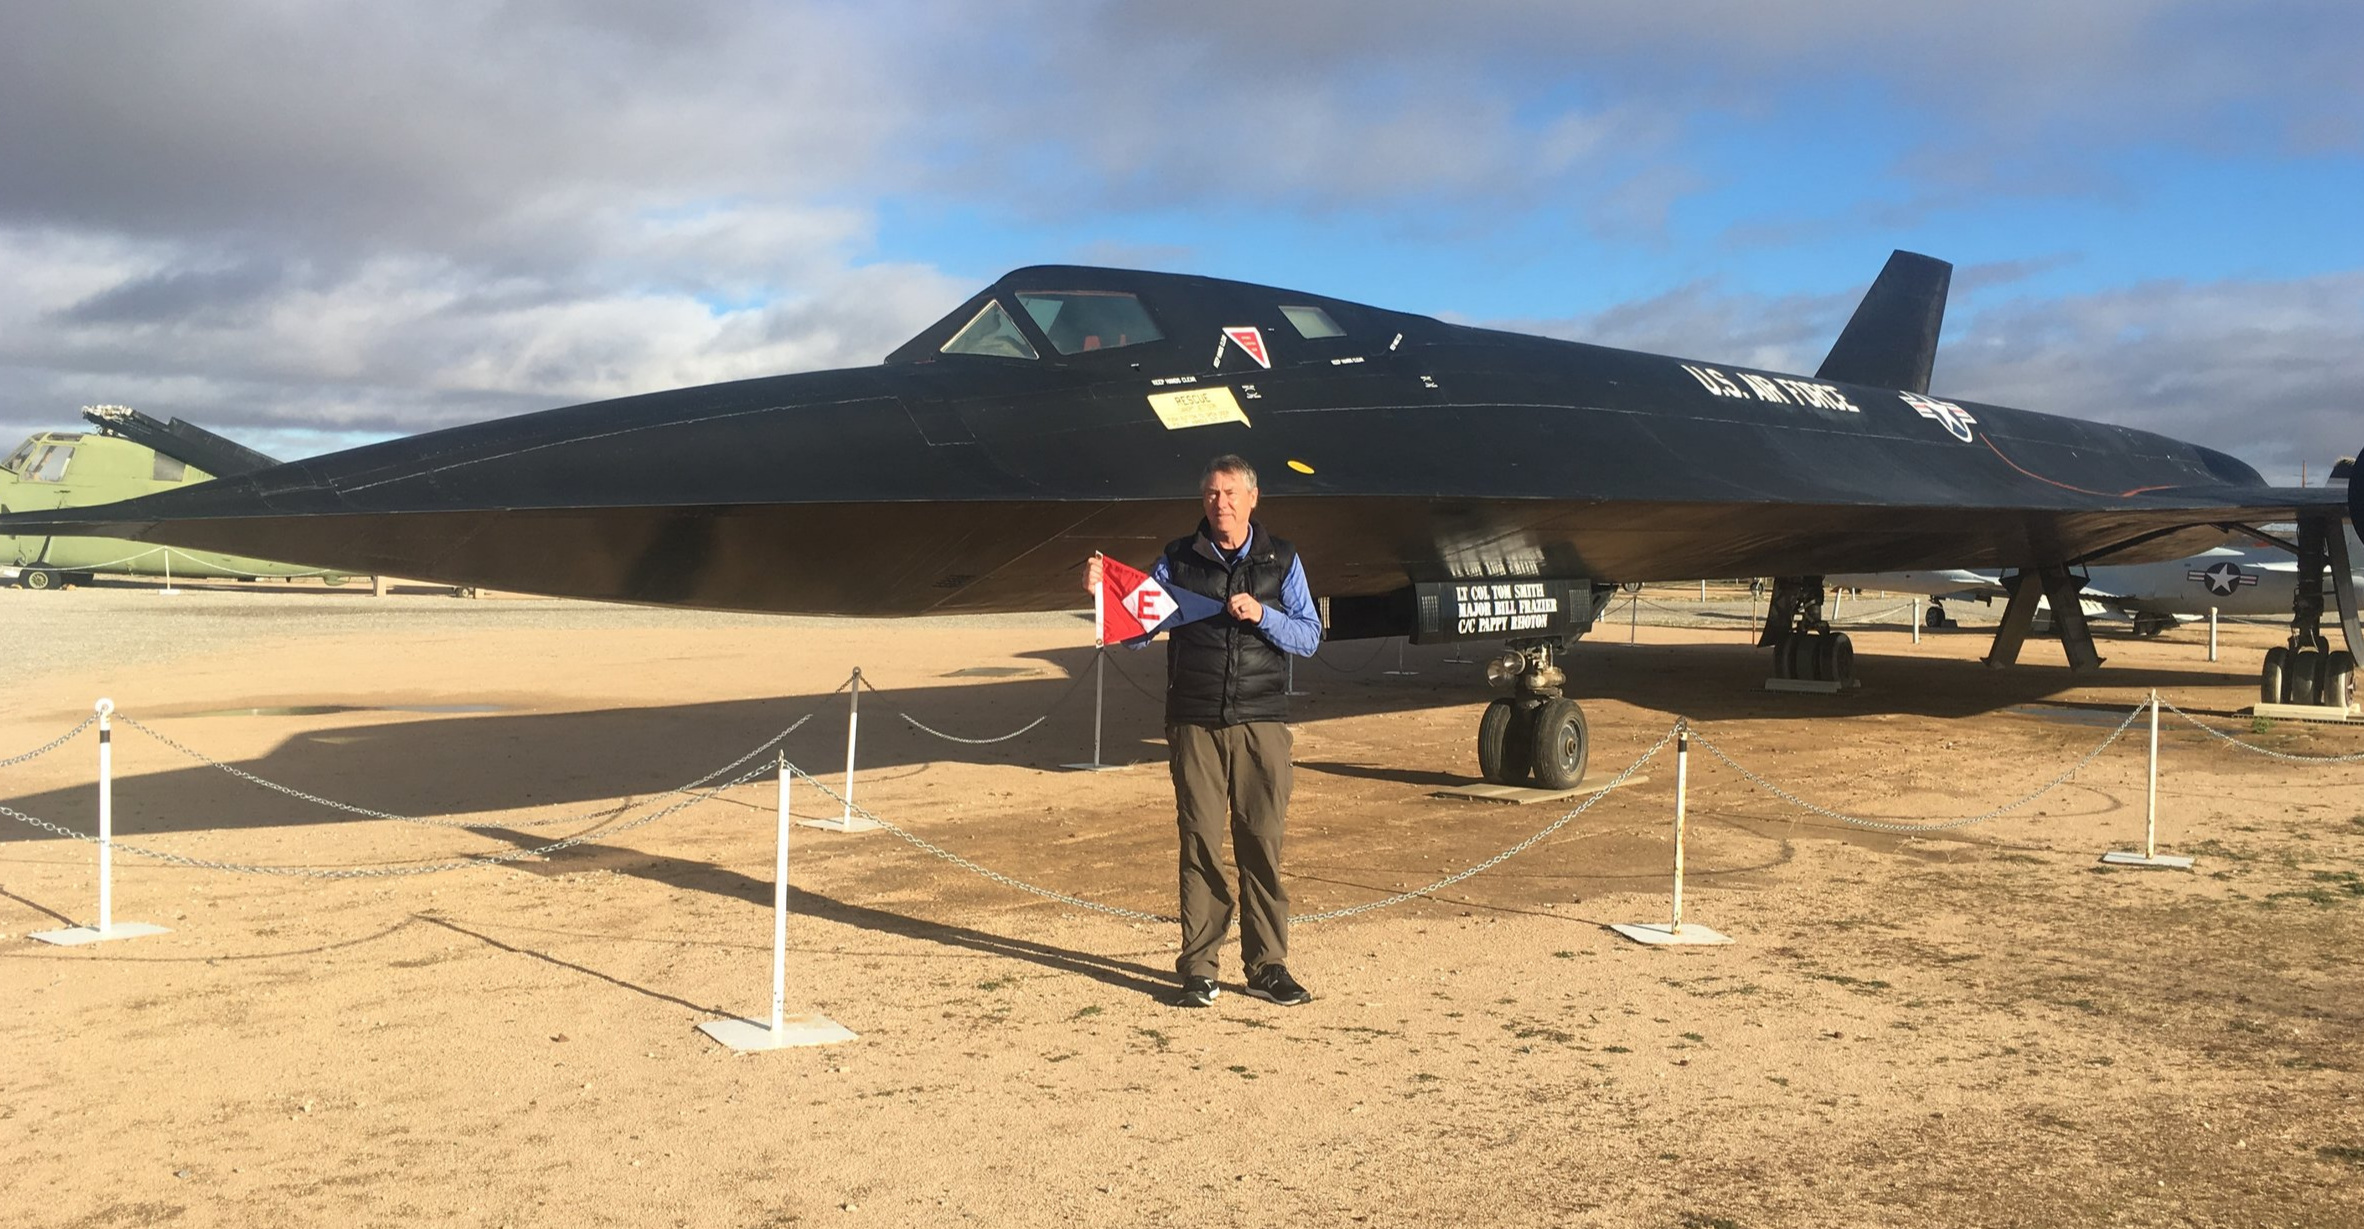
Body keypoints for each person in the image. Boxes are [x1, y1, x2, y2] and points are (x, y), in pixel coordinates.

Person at [1150, 455, 1322, 1007]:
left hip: (1261, 722)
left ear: (1252, 498)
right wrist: (1101, 594)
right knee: (1199, 842)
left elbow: (1309, 636)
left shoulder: (1283, 559)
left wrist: (1263, 616)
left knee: (1262, 842)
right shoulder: (1177, 560)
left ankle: (1267, 965)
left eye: (1228, 494)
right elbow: (1134, 629)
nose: (1218, 503)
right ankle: (1199, 968)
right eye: (1209, 495)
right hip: (1195, 721)